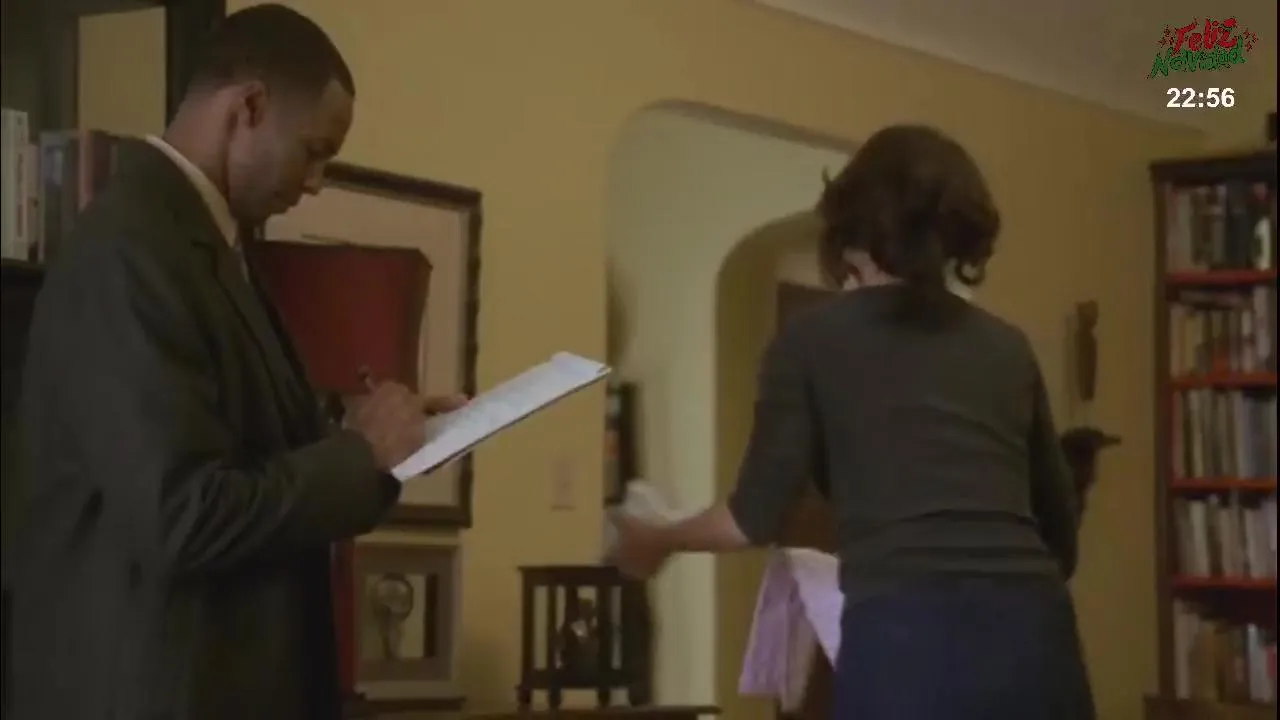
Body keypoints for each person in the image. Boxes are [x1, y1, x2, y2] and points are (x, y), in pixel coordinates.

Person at [7, 5, 465, 719]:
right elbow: (182, 514)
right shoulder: (131, 249)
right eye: (314, 150)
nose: (316, 181)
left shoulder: (209, 245)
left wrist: (367, 428)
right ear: (247, 107)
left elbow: (237, 438)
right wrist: (360, 455)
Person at [613, 125, 1096, 719]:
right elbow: (1060, 537)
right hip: (1037, 636)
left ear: (850, 222)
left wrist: (658, 539)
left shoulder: (810, 341)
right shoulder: (1007, 347)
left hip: (907, 639)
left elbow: (751, 517)